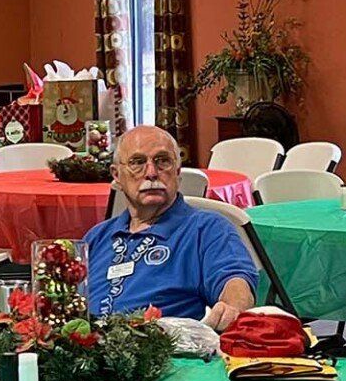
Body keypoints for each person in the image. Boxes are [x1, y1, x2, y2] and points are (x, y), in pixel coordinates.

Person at [79, 125, 258, 328]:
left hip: (162, 343)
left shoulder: (207, 228)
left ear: (177, 172)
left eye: (163, 161)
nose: (151, 173)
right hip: (84, 342)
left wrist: (233, 307)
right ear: (117, 176)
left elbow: (234, 279)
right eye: (137, 162)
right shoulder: (97, 236)